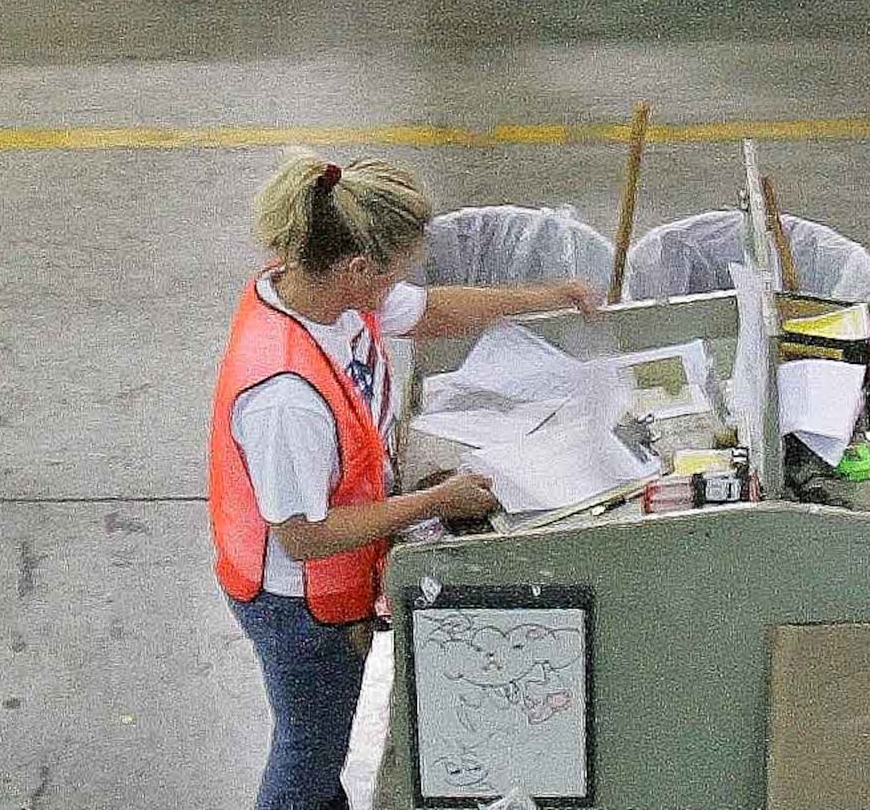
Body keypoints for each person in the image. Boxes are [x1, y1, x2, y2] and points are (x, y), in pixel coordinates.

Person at [210, 154, 603, 810]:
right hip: (295, 601)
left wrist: (548, 298)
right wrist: (433, 502)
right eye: (394, 270)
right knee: (309, 748)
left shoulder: (326, 297)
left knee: (317, 742)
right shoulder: (285, 394)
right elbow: (304, 536)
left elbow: (434, 313)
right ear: (359, 269)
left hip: (329, 584)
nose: (400, 285)